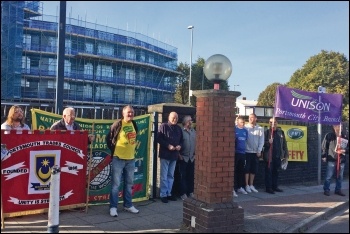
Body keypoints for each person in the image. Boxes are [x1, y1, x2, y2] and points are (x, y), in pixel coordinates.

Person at [106, 105, 140, 217]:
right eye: (128, 112)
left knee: (129, 183)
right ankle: (113, 207)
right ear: (123, 113)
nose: (130, 114)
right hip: (118, 158)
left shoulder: (134, 124)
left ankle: (128, 205)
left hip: (131, 159)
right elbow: (108, 138)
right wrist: (115, 151)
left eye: (132, 112)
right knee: (116, 184)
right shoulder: (117, 124)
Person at [157, 111, 183, 203]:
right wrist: (168, 145)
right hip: (165, 154)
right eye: (173, 117)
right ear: (169, 117)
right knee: (164, 176)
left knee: (171, 176)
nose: (175, 119)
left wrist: (180, 145)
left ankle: (169, 193)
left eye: (176, 118)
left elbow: (181, 141)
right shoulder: (163, 126)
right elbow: (158, 138)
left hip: (174, 155)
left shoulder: (179, 129)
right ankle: (163, 194)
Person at [263, 118, 288, 194]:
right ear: (269, 123)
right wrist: (268, 142)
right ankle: (268, 188)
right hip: (269, 156)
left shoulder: (281, 132)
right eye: (271, 122)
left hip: (278, 155)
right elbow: (262, 143)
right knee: (269, 172)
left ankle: (275, 186)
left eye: (274, 122)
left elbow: (284, 144)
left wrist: (286, 154)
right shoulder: (267, 132)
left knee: (276, 172)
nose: (272, 124)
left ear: (277, 123)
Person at [321, 124, 348, 196]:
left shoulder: (344, 137)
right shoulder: (329, 135)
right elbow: (324, 147)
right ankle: (326, 189)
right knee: (329, 175)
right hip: (332, 158)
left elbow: (348, 148)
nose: (340, 128)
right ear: (334, 127)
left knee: (340, 176)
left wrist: (344, 151)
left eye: (342, 126)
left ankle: (338, 190)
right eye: (339, 126)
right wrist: (324, 156)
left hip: (341, 159)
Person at [244, 113, 264, 193]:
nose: (250, 119)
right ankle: (246, 185)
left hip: (255, 152)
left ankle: (251, 184)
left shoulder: (260, 128)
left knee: (253, 169)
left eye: (252, 118)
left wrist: (259, 150)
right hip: (247, 151)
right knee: (246, 169)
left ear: (256, 118)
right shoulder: (245, 127)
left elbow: (261, 140)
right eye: (249, 118)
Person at [178, 115, 196, 200]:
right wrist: (179, 155)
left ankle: (190, 192)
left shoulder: (193, 131)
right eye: (189, 121)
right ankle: (183, 193)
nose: (191, 122)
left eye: (191, 121)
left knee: (191, 176)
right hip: (183, 157)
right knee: (183, 176)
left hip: (192, 158)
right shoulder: (181, 131)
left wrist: (195, 155)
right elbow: (177, 143)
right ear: (185, 122)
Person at [234, 116, 248, 197]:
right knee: (234, 171)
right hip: (236, 153)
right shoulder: (234, 130)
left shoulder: (245, 131)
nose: (243, 124)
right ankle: (233, 188)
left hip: (243, 153)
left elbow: (246, 141)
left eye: (243, 122)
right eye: (241, 122)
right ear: (238, 122)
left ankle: (240, 187)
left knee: (241, 171)